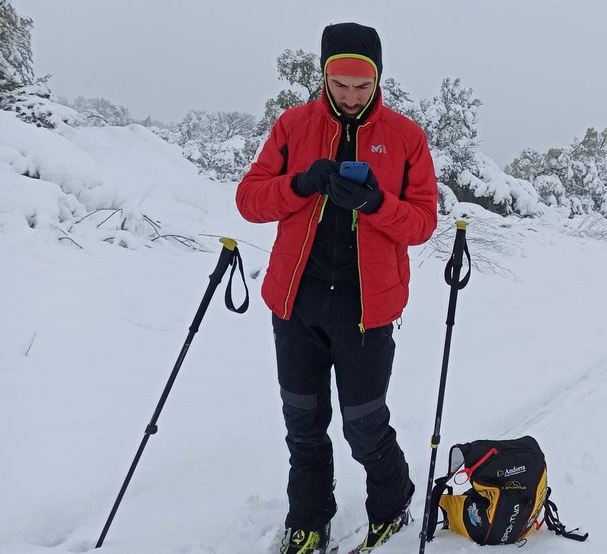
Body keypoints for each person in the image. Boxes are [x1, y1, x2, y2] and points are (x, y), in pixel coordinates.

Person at [236, 21, 438, 554]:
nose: (350, 98)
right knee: (302, 424)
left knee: (364, 426)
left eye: (362, 86)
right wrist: (300, 184)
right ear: (324, 74)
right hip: (296, 304)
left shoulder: (406, 138)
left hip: (365, 310)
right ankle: (308, 519)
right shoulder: (292, 127)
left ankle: (392, 507)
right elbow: (249, 201)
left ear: (378, 80)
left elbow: (422, 223)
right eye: (340, 84)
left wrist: (375, 204)